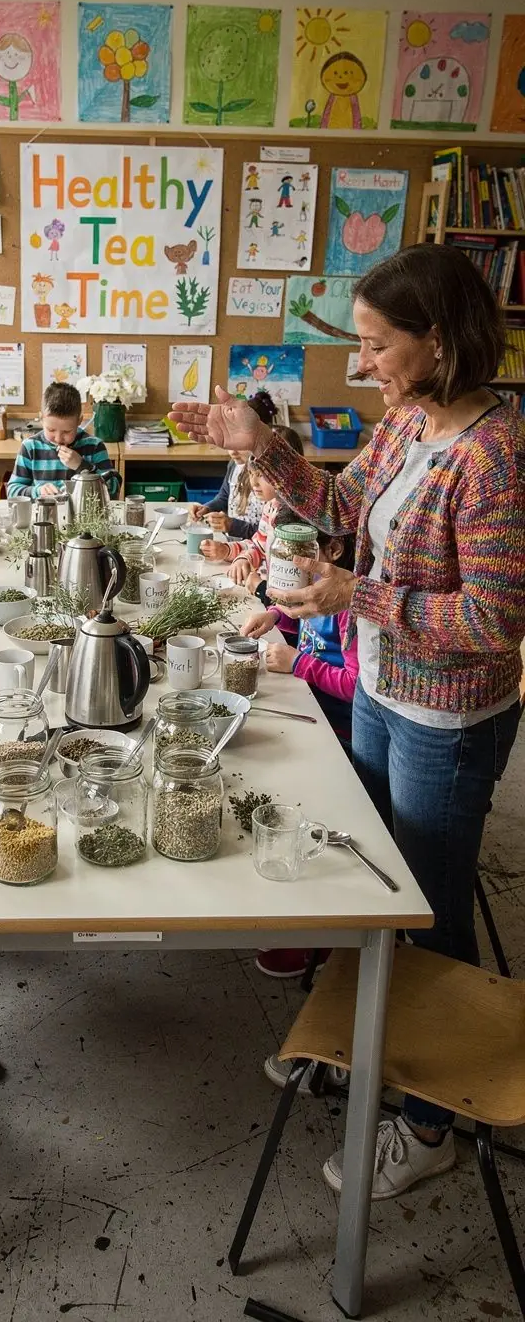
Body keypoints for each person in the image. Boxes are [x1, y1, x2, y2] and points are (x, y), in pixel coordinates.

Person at [170, 243, 525, 1200]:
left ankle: (430, 1119)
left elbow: (494, 621)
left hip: (445, 719)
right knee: (365, 877)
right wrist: (257, 445)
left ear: (437, 341)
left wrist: (356, 595)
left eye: (375, 344)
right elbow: (336, 506)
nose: (361, 364)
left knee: (429, 906)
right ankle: (359, 1040)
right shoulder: (409, 422)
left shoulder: (494, 456)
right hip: (378, 687)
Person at [241, 514, 358, 982]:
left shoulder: (350, 604)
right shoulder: (314, 591)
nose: (290, 573)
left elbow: (357, 685)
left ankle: (321, 935)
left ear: (332, 552)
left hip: (344, 734)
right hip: (315, 713)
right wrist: (275, 616)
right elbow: (299, 628)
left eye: (298, 561)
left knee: (311, 813)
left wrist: (300, 664)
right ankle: (282, 908)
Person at [199, 428, 304, 576]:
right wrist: (228, 551)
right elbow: (258, 545)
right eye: (250, 473)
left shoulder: (299, 515)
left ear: (287, 470)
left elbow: (289, 571)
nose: (253, 482)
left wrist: (259, 586)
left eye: (261, 474)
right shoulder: (271, 506)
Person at [7, 383, 121, 500]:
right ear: (41, 419)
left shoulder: (94, 446)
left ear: (79, 421)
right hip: (44, 516)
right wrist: (38, 490)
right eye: (51, 430)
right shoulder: (30, 447)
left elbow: (113, 489)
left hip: (82, 516)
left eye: (67, 431)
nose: (58, 438)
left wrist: (82, 466)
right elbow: (12, 491)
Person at [188, 393, 278, 537]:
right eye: (229, 443)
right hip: (233, 547)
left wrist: (232, 526)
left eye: (239, 443)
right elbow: (224, 497)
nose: (232, 451)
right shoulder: (236, 465)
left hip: (256, 552)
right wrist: (207, 508)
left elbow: (271, 533)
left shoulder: (271, 476)